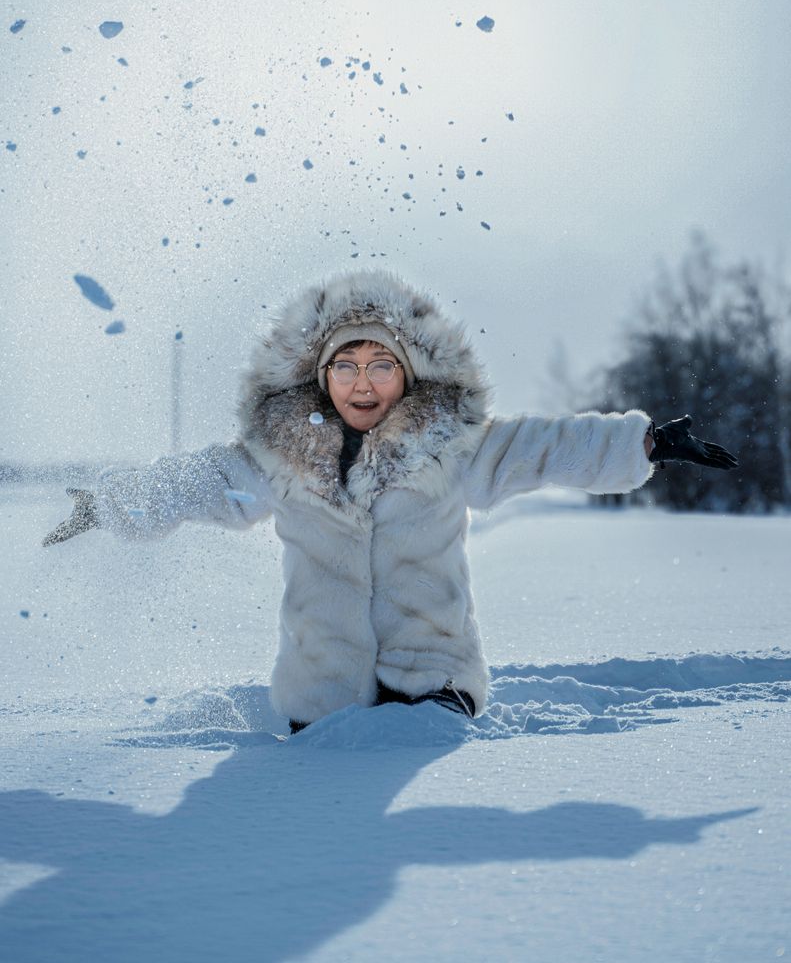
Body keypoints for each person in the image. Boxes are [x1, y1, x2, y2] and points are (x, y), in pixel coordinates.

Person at [43, 271, 738, 732]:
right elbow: (197, 482)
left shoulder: (455, 446)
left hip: (433, 686)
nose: (362, 381)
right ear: (321, 379)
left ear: (406, 377)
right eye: (344, 366)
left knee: (403, 764)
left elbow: (545, 445)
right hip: (318, 702)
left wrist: (641, 443)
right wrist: (107, 505)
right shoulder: (275, 458)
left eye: (380, 365)